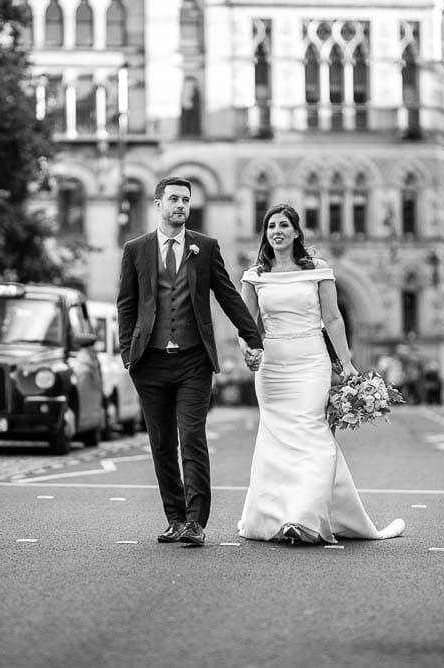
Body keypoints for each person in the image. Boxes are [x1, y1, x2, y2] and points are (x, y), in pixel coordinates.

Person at [236, 203, 404, 545]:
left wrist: (346, 363)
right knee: (276, 441)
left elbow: (334, 319)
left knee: (313, 434)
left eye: (284, 225)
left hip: (311, 362)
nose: (276, 231)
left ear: (297, 232)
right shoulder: (255, 275)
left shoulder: (317, 271)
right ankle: (274, 516)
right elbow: (245, 324)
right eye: (271, 227)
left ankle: (304, 517)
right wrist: (247, 350)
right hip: (272, 369)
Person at [117, 176, 264, 546]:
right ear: (158, 205)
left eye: (186, 200)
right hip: (149, 362)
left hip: (193, 361)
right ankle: (175, 518)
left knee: (192, 437)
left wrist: (252, 336)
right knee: (162, 443)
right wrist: (126, 353)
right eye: (174, 199)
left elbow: (228, 295)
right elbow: (127, 304)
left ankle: (196, 523)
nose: (181, 205)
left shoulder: (206, 247)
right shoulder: (136, 250)